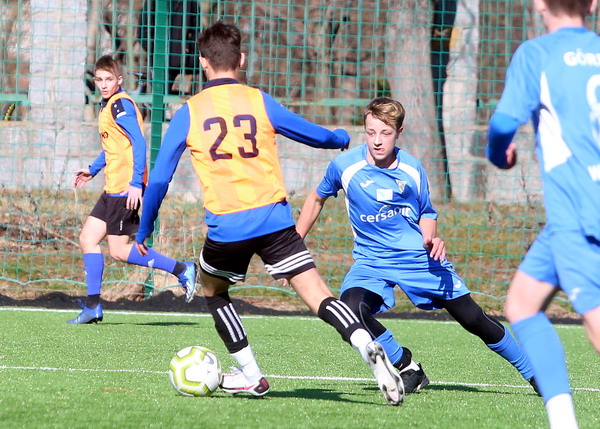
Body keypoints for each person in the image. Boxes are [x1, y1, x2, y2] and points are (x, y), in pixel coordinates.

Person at [135, 22, 405, 405]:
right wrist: (341, 138)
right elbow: (312, 134)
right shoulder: (258, 100)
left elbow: (160, 178)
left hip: (228, 226)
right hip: (275, 220)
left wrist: (145, 228)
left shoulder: (189, 112)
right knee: (318, 295)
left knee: (214, 290)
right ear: (241, 59)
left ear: (203, 62)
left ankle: (251, 376)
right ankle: (365, 344)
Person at [297, 96, 539, 395]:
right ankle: (407, 365)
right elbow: (316, 198)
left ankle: (534, 372)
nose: (377, 141)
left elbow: (426, 212)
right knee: (350, 310)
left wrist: (430, 238)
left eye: (385, 133)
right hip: (371, 262)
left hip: (418, 259)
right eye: (371, 132)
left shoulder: (411, 168)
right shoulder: (345, 166)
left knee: (473, 319)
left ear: (399, 132)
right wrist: (295, 243)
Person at [487, 0, 600, 427]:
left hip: (580, 211)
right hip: (567, 222)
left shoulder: (537, 54)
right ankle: (563, 421)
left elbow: (502, 125)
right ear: (593, 3)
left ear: (538, 3)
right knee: (521, 304)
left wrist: (498, 155)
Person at [70, 55, 197, 324]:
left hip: (125, 189)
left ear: (119, 79)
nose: (104, 84)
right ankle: (93, 306)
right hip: (113, 188)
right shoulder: (107, 106)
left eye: (109, 79)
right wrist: (93, 169)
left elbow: (138, 142)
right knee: (87, 238)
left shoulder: (120, 106)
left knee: (118, 250)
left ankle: (181, 269)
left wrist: (136, 183)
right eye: (99, 80)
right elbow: (114, 146)